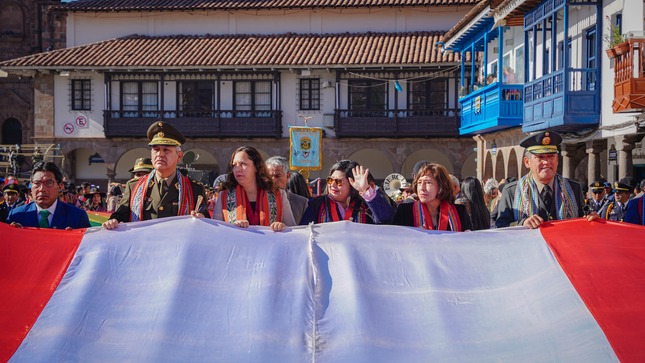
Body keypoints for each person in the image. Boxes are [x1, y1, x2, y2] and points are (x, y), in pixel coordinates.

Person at [103, 121, 209, 229]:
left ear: (179, 156)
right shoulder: (134, 187)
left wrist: (201, 219)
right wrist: (113, 221)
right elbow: (120, 216)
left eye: (166, 150)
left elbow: (205, 223)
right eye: (156, 149)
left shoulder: (194, 189)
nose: (160, 154)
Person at [495, 131, 589, 229]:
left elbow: (583, 223)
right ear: (527, 162)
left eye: (551, 156)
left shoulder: (573, 188)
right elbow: (501, 227)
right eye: (540, 157)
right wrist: (522, 223)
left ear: (557, 160)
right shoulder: (511, 192)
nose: (546, 162)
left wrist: (591, 220)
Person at [213, 146, 295, 231]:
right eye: (234, 165)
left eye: (243, 164)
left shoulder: (279, 195)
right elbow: (216, 231)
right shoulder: (224, 196)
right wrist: (232, 227)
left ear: (256, 167)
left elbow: (293, 229)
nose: (237, 169)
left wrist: (282, 226)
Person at [300, 160, 395, 225]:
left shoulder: (365, 205)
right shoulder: (317, 204)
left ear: (352, 184)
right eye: (330, 180)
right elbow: (304, 230)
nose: (332, 185)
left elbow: (386, 219)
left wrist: (365, 190)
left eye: (338, 181)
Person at [7, 161, 90, 229]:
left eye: (48, 183)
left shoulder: (77, 216)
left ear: (60, 186)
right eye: (37, 183)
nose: (42, 189)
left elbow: (90, 247)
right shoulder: (16, 216)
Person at [393, 163, 471, 231]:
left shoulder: (459, 212)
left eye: (428, 183)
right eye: (419, 183)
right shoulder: (405, 211)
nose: (422, 188)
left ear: (441, 186)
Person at [266, 156, 309, 225]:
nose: (273, 180)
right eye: (269, 176)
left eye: (277, 176)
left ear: (287, 176)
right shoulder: (259, 199)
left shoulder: (301, 203)